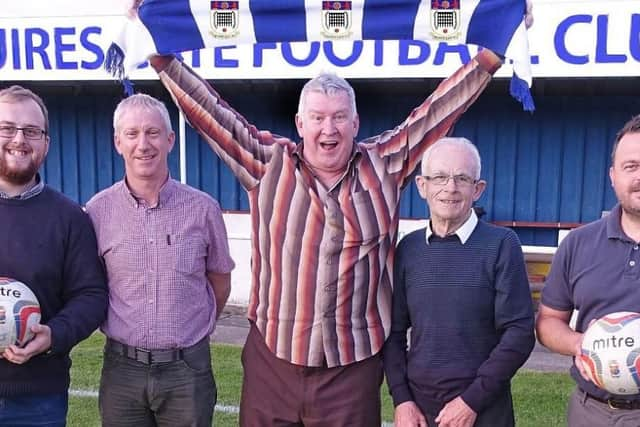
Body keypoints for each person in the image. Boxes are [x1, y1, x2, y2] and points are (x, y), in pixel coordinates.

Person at [148, 46, 502, 426]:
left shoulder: (385, 165)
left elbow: (435, 114)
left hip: (351, 370)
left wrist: (486, 62)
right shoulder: (268, 164)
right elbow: (212, 115)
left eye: (339, 118)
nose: (328, 129)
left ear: (355, 123)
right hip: (274, 363)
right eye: (317, 118)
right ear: (300, 124)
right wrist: (163, 60)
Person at [85, 93, 235, 427]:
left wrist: (193, 327)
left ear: (170, 140)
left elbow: (220, 282)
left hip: (187, 370)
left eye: (153, 133)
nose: (143, 144)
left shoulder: (203, 209)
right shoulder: (97, 212)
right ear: (117, 142)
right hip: (122, 369)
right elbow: (91, 285)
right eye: (132, 134)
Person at [383, 137, 536, 427]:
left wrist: (471, 401)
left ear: (478, 189)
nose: (450, 188)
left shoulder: (502, 245)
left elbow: (519, 332)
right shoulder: (408, 249)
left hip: (483, 410)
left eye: (462, 178)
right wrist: (401, 400)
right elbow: (393, 332)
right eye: (439, 177)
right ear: (422, 186)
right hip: (418, 412)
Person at [0, 85, 108, 426]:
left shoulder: (70, 217)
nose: (19, 139)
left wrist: (53, 335)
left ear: (46, 143)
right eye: (7, 128)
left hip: (37, 400)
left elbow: (91, 295)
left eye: (32, 131)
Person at [536, 114, 640, 426]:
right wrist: (581, 344)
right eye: (630, 166)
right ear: (612, 175)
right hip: (590, 411)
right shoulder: (578, 243)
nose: (639, 176)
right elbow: (548, 322)